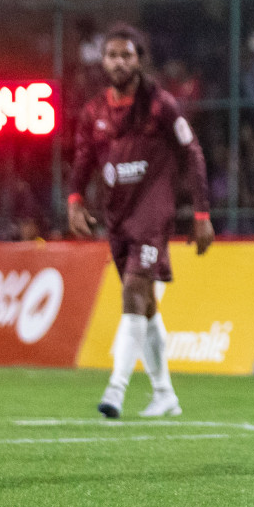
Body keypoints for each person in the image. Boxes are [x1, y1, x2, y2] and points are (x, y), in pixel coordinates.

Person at [69, 25, 213, 420]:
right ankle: (165, 394)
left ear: (139, 60)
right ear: (102, 60)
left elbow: (193, 154)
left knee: (133, 293)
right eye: (112, 55)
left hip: (153, 213)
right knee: (146, 305)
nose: (119, 62)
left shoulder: (159, 105)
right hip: (116, 215)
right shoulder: (95, 110)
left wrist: (202, 213)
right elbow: (82, 157)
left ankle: (114, 391)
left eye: (126, 55)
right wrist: (75, 199)